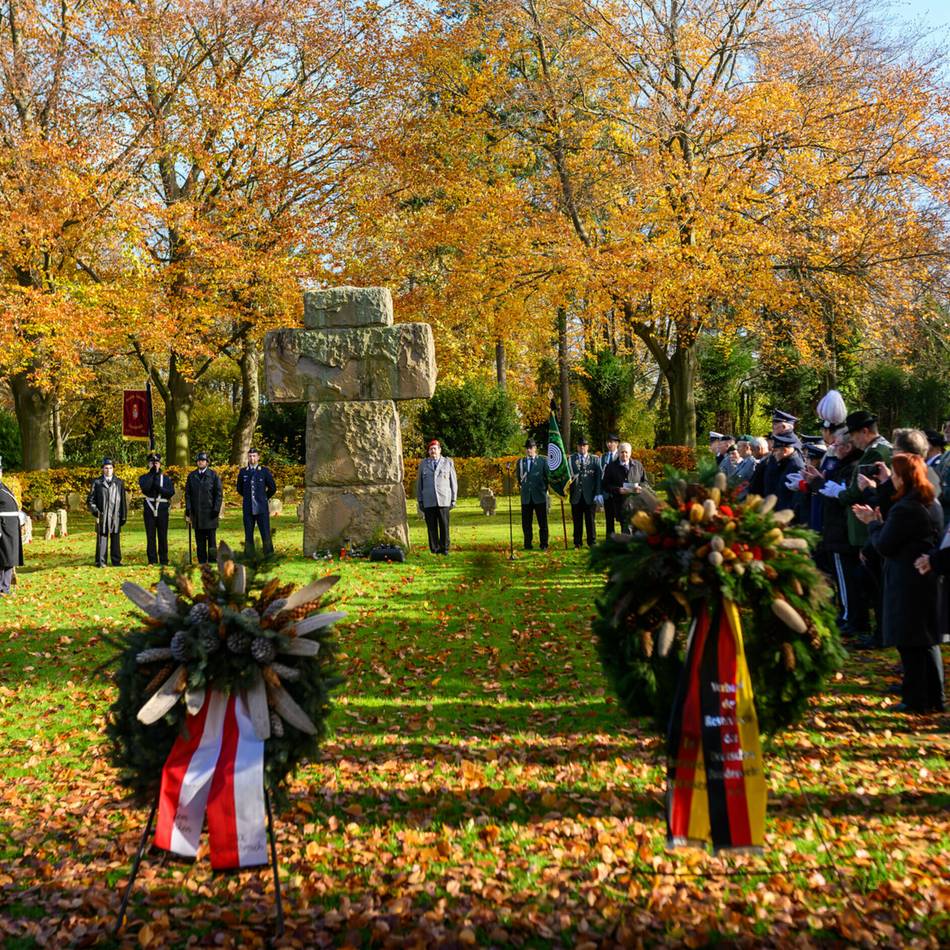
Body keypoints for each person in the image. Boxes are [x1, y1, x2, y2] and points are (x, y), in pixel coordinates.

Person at [854, 454, 944, 712]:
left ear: (904, 477)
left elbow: (884, 544)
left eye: (894, 474)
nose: (891, 479)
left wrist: (873, 523)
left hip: (907, 579)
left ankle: (917, 699)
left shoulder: (907, 508)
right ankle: (933, 698)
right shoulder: (930, 501)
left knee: (912, 641)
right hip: (923, 577)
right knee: (926, 640)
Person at [813, 431, 863, 636]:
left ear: (848, 447)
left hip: (841, 531)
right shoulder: (843, 466)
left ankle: (850, 618)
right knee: (843, 577)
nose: (834, 447)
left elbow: (841, 498)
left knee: (846, 578)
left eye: (838, 445)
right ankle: (847, 615)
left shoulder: (851, 467)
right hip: (836, 529)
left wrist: (819, 484)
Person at [747, 431, 805, 519]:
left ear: (785, 451)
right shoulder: (783, 462)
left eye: (776, 451)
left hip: (785, 516)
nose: (773, 454)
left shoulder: (795, 466)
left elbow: (795, 498)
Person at [415, 439, 457, 554]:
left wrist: (453, 499)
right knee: (431, 527)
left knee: (444, 525)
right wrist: (420, 500)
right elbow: (419, 484)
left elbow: (453, 482)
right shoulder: (423, 464)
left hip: (444, 499)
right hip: (429, 500)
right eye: (431, 449)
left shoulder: (448, 462)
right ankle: (434, 548)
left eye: (435, 448)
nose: (433, 451)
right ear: (428, 452)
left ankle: (445, 548)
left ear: (440, 450)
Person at [86, 458, 127, 567]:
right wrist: (96, 512)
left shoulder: (119, 483)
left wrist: (123, 516)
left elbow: (123, 500)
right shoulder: (97, 482)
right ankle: (101, 561)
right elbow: (90, 500)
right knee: (102, 538)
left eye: (110, 468)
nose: (108, 470)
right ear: (102, 469)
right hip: (102, 515)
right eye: (106, 468)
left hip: (115, 515)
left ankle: (116, 561)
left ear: (113, 469)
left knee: (115, 539)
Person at [602, 442, 650, 535]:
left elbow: (645, 482)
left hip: (637, 503)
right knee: (626, 529)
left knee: (638, 529)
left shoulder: (638, 465)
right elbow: (605, 485)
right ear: (618, 453)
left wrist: (641, 488)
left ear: (630, 453)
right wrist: (618, 490)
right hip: (620, 503)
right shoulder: (611, 467)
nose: (624, 454)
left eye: (626, 452)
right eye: (622, 452)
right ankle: (627, 547)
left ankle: (635, 547)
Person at [237, 448, 277, 557]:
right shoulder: (243, 472)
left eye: (254, 456)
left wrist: (264, 498)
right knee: (248, 534)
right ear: (247, 457)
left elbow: (273, 488)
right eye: (250, 456)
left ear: (258, 457)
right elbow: (239, 489)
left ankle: (269, 555)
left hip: (261, 508)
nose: (252, 458)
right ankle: (249, 555)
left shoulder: (264, 471)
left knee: (265, 533)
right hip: (248, 507)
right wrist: (248, 497)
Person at [185, 451, 223, 564]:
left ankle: (212, 560)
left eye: (203, 460)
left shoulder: (213, 475)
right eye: (199, 461)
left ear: (207, 462)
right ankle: (201, 561)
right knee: (199, 540)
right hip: (197, 513)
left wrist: (216, 509)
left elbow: (219, 494)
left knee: (211, 540)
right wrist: (188, 509)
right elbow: (188, 494)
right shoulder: (192, 476)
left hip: (210, 513)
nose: (200, 462)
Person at [138, 452, 175, 566]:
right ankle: (152, 559)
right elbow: (145, 488)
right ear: (148, 464)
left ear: (160, 464)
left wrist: (159, 488)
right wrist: (153, 475)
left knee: (163, 535)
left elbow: (170, 493)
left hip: (162, 508)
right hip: (149, 508)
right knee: (150, 535)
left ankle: (164, 559)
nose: (155, 465)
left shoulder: (166, 479)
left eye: (157, 463)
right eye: (152, 463)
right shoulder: (144, 477)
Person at [569, 436, 602, 548]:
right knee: (577, 521)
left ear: (587, 447)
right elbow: (566, 477)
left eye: (584, 445)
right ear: (577, 447)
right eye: (580, 445)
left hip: (590, 495)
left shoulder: (595, 459)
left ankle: (591, 541)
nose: (582, 447)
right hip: (576, 495)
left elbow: (598, 478)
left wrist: (598, 493)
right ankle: (577, 542)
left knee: (590, 520)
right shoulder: (571, 459)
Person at [517, 439, 549, 550]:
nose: (528, 450)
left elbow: (547, 477)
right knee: (526, 524)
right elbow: (519, 479)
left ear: (535, 448)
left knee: (543, 523)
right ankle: (527, 544)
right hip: (526, 497)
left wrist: (544, 490)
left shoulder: (542, 461)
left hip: (539, 496)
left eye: (530, 448)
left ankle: (544, 544)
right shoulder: (521, 462)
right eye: (527, 448)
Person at [0, 457, 24, 595]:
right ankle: (2, 587)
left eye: (0, 470)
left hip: (10, 528)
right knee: (3, 559)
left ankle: (5, 586)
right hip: (3, 528)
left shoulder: (3, 486)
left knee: (10, 559)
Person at [601, 434, 621, 536]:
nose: (609, 444)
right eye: (607, 442)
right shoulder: (603, 457)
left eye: (611, 442)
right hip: (606, 492)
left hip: (618, 492)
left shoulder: (621, 455)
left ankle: (624, 539)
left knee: (621, 518)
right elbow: (601, 475)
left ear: (617, 443)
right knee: (609, 519)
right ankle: (610, 540)